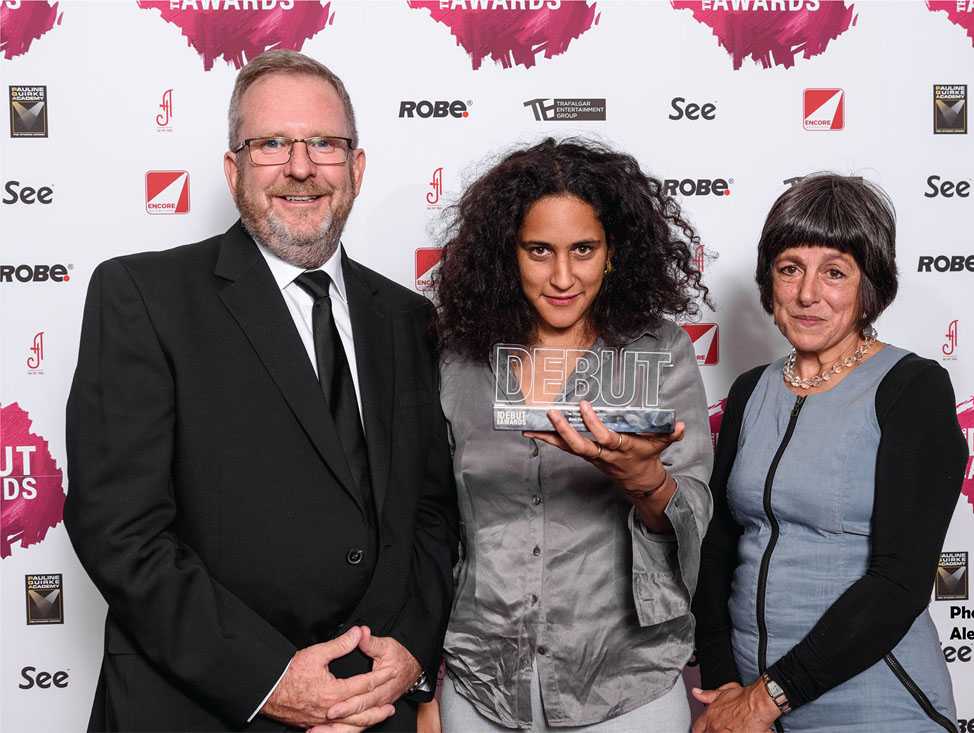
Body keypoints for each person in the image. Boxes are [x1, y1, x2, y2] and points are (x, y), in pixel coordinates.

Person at [65, 50, 458, 733]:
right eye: (272, 143)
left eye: (325, 144)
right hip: (199, 709)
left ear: (356, 168)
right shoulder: (143, 296)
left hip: (371, 709)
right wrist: (270, 679)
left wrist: (410, 653)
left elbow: (431, 513)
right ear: (233, 170)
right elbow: (119, 530)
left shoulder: (408, 318)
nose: (301, 167)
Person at [424, 137, 714, 732]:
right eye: (539, 251)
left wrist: (645, 480)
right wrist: (422, 682)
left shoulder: (657, 350)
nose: (562, 276)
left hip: (624, 682)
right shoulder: (457, 360)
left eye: (583, 249)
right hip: (482, 681)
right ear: (508, 254)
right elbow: (428, 524)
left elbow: (692, 518)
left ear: (613, 253)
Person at [692, 174, 968, 733]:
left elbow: (900, 582)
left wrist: (766, 699)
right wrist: (726, 688)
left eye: (835, 272)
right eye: (790, 268)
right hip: (746, 703)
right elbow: (717, 547)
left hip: (872, 702)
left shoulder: (912, 388)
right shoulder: (750, 390)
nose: (807, 294)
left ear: (871, 286)